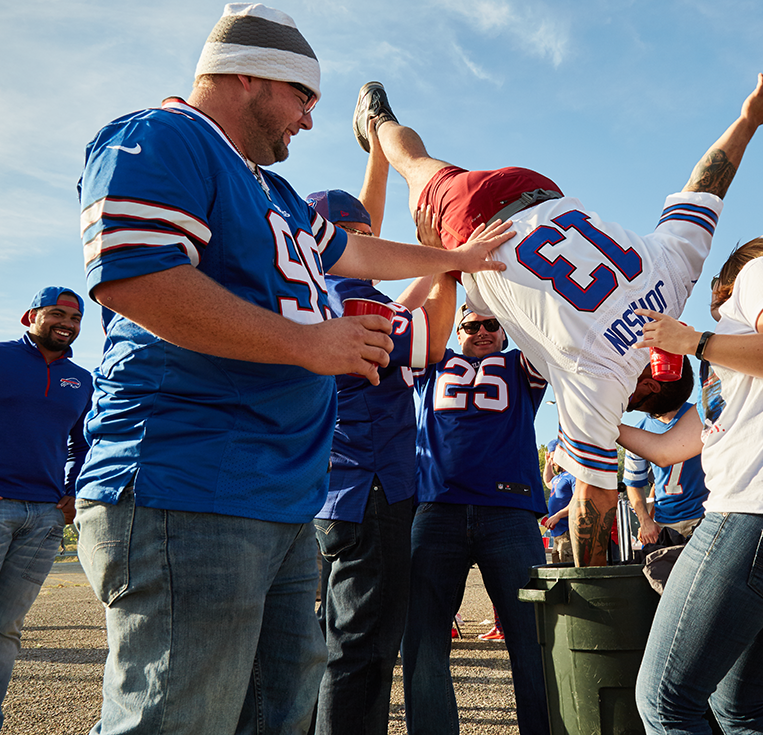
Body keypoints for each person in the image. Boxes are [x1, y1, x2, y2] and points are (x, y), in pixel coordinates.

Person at [73, 5, 514, 734]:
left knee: (281, 712)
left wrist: (455, 260)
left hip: (276, 495)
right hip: (188, 480)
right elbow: (135, 281)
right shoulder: (161, 136)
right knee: (176, 719)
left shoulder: (271, 191)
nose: (310, 121)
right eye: (303, 98)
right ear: (248, 74)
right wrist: (308, 344)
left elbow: (358, 251)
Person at [353, 73, 763, 565]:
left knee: (421, 163)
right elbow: (594, 499)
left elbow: (706, 185)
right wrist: (592, 580)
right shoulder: (603, 378)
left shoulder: (675, 278)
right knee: (412, 167)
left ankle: (380, 122)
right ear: (646, 386)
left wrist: (748, 121)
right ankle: (377, 121)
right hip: (478, 229)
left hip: (540, 191)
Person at [618, 238, 763, 733]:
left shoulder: (759, 270)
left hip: (760, 515)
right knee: (738, 707)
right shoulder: (735, 366)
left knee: (666, 703)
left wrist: (694, 341)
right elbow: (667, 449)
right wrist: (594, 421)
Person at [306, 139, 457, 732]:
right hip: (371, 488)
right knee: (362, 648)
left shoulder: (314, 291)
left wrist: (377, 156)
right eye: (364, 235)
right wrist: (448, 262)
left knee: (331, 640)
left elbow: (399, 306)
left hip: (333, 490)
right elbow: (432, 337)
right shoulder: (347, 298)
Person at [403, 305, 549, 735]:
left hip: (510, 511)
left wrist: (499, 294)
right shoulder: (433, 362)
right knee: (424, 642)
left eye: (492, 324)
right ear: (458, 329)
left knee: (533, 639)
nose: (482, 332)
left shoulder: (521, 365)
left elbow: (542, 324)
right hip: (436, 508)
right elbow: (428, 318)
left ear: (506, 331)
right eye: (471, 325)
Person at [0, 287, 93, 733]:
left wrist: (72, 494)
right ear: (29, 316)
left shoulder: (83, 379)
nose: (68, 323)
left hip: (43, 519)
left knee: (4, 631)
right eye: (57, 313)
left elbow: (83, 444)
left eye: (76, 318)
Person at [623, 357, 708, 545]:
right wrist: (645, 520)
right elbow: (634, 483)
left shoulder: (700, 416)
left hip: (704, 517)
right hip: (665, 523)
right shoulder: (638, 431)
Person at [544, 440, 575, 563]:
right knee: (557, 567)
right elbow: (548, 482)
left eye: (553, 458)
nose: (552, 462)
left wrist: (557, 516)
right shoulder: (559, 477)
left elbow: (577, 501)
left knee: (567, 567)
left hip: (568, 533)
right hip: (557, 534)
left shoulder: (572, 475)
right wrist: (547, 463)